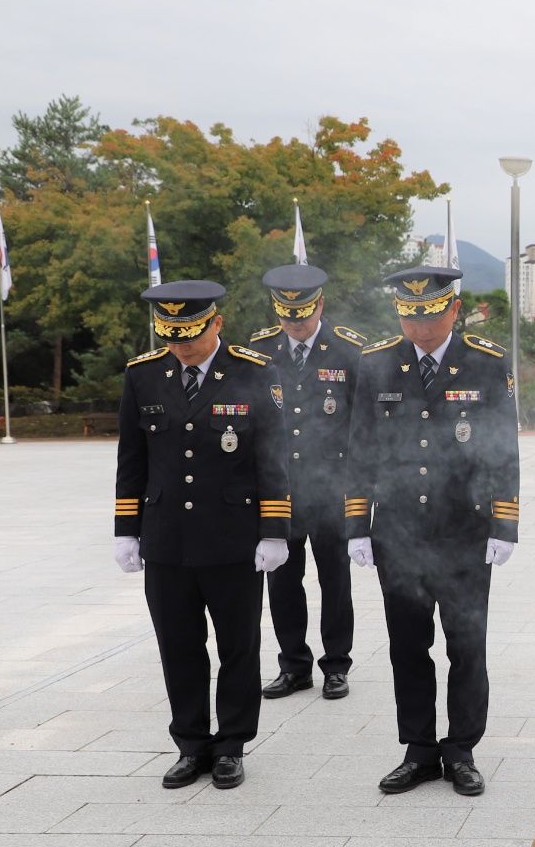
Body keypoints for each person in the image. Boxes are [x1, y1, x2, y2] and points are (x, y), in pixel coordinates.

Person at [344, 265, 520, 798]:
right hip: (398, 533)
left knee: (467, 646)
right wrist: (357, 523)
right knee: (407, 646)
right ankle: (418, 750)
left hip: (464, 530)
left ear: (453, 310)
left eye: (429, 315)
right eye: (409, 316)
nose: (419, 328)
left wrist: (504, 522)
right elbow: (361, 448)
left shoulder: (485, 364)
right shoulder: (376, 365)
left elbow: (502, 445)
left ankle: (462, 750)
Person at [113, 280, 290, 790]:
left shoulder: (255, 372)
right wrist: (127, 529)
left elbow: (272, 460)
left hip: (233, 536)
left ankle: (231, 743)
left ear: (216, 323)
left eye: (190, 333)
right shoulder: (144, 375)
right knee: (178, 645)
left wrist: (273, 529)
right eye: (171, 335)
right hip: (166, 536)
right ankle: (191, 744)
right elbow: (132, 459)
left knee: (238, 646)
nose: (181, 345)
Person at [249, 263, 368, 702]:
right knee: (281, 579)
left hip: (332, 487)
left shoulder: (349, 350)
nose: (295, 326)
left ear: (320, 305)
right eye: (286, 317)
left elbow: (361, 424)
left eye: (302, 316)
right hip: (280, 489)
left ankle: (336, 665)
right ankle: (293, 664)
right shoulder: (261, 350)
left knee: (335, 579)